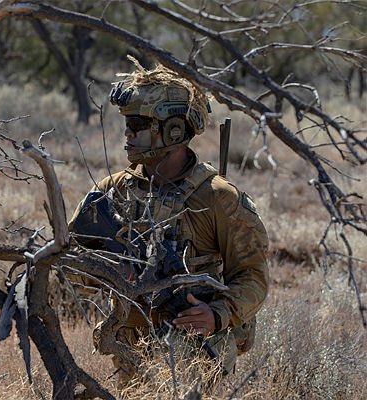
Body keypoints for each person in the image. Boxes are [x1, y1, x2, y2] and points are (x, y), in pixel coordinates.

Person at [68, 59, 269, 384]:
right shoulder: (112, 191)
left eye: (138, 123)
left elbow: (253, 277)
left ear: (174, 129)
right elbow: (71, 261)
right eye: (127, 123)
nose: (128, 132)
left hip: (196, 349)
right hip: (130, 343)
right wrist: (113, 271)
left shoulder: (218, 197)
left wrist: (217, 315)